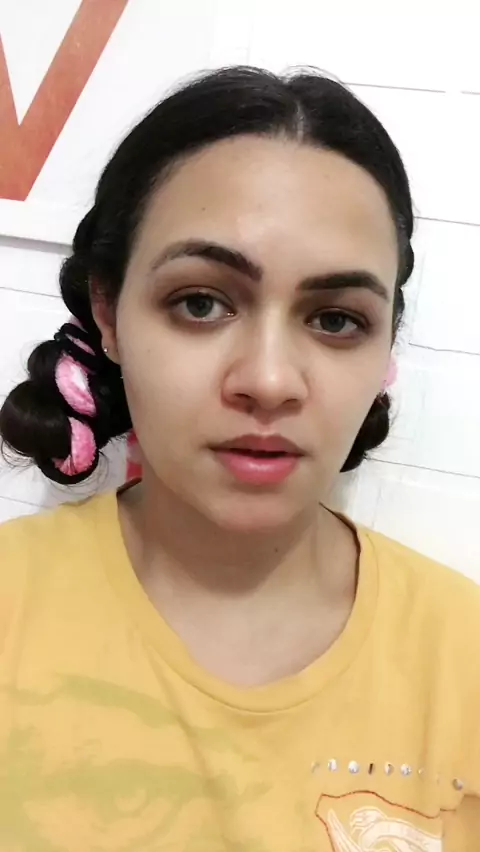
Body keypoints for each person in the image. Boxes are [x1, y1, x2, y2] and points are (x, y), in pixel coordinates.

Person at [0, 66, 478, 851]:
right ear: (108, 313)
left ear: (386, 344)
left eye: (335, 319)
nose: (268, 379)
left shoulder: (465, 658)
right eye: (201, 303)